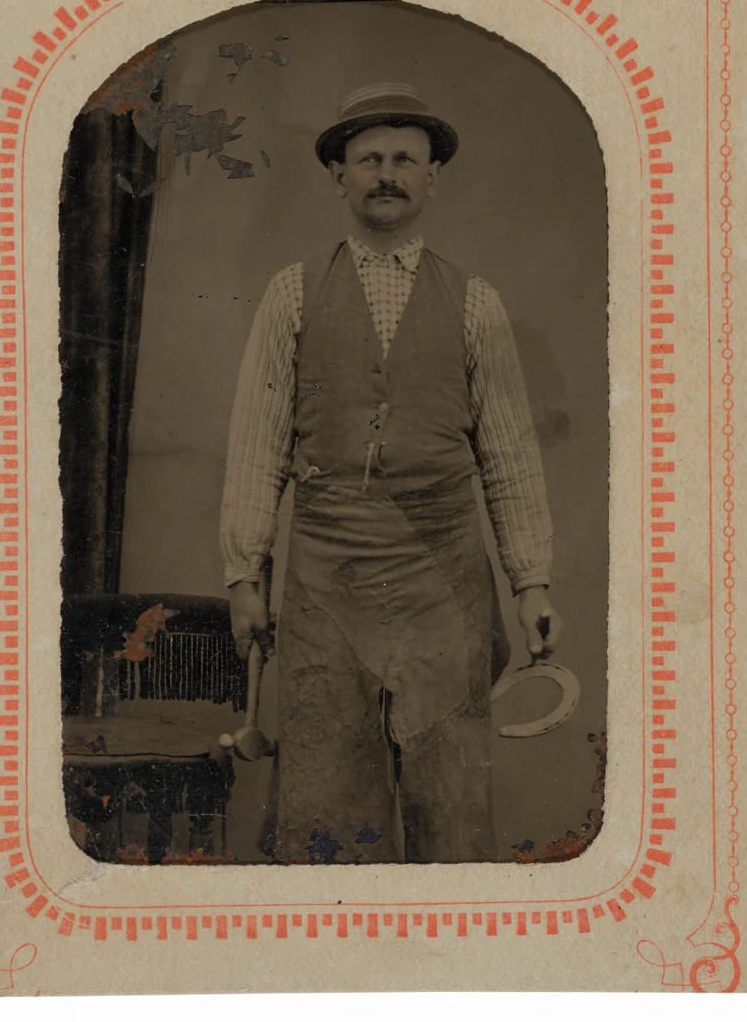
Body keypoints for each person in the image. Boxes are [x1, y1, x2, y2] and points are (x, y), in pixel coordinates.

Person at [220, 83, 563, 863]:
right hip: (325, 579)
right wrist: (244, 575)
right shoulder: (291, 294)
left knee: (449, 795)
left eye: (405, 160)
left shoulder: (476, 303)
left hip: (442, 581)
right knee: (325, 796)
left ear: (432, 177)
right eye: (368, 158)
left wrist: (531, 582)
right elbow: (256, 446)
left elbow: (509, 457)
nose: (386, 174)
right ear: (338, 174)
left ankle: (450, 966)